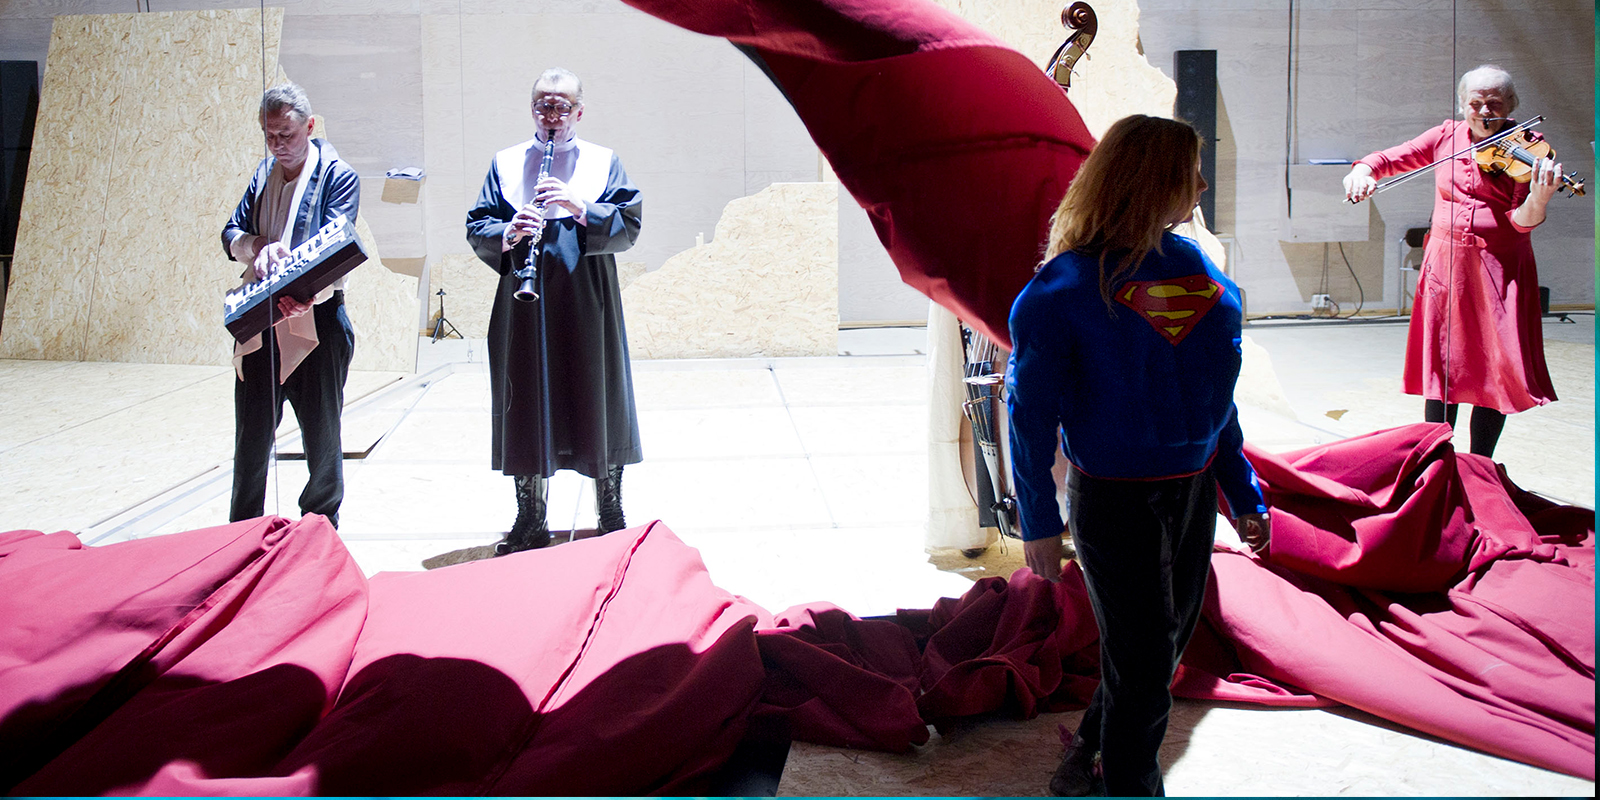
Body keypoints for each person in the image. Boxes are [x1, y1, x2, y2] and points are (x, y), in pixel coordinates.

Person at [1006, 115, 1271, 797]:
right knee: (1148, 661)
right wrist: (1038, 520)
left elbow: (1216, 395)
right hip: (1112, 497)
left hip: (1191, 490)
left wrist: (1242, 489)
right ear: (1151, 181)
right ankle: (1130, 786)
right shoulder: (1062, 289)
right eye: (1190, 172)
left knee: (1162, 647)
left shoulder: (1197, 269)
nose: (1202, 185)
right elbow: (1029, 416)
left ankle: (1088, 753)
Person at [465, 68, 644, 555]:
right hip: (525, 297)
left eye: (562, 106)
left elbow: (629, 223)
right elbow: (478, 225)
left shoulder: (603, 161)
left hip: (587, 293)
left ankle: (610, 509)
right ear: (532, 109)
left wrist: (580, 206)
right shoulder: (506, 162)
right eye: (543, 105)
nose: (552, 115)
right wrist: (509, 231)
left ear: (579, 112)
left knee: (597, 389)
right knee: (525, 394)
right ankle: (531, 516)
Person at [1343, 64, 1562, 458]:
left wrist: (1539, 198)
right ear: (1462, 104)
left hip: (1498, 267)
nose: (1485, 112)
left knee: (1494, 367)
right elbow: (1388, 159)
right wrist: (1362, 171)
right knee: (1442, 364)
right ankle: (1435, 459)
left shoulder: (1528, 149)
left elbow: (1521, 222)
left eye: (1495, 103)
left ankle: (1480, 464)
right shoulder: (1446, 136)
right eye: (1476, 103)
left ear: (1512, 104)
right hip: (1446, 267)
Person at [221, 83, 359, 528]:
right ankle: (244, 528)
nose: (278, 144)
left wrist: (303, 293)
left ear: (310, 126)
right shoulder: (263, 173)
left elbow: (337, 244)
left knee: (322, 434)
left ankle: (320, 526)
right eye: (270, 135)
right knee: (251, 434)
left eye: (287, 134)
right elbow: (231, 232)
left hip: (317, 315)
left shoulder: (338, 175)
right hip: (264, 317)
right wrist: (257, 246)